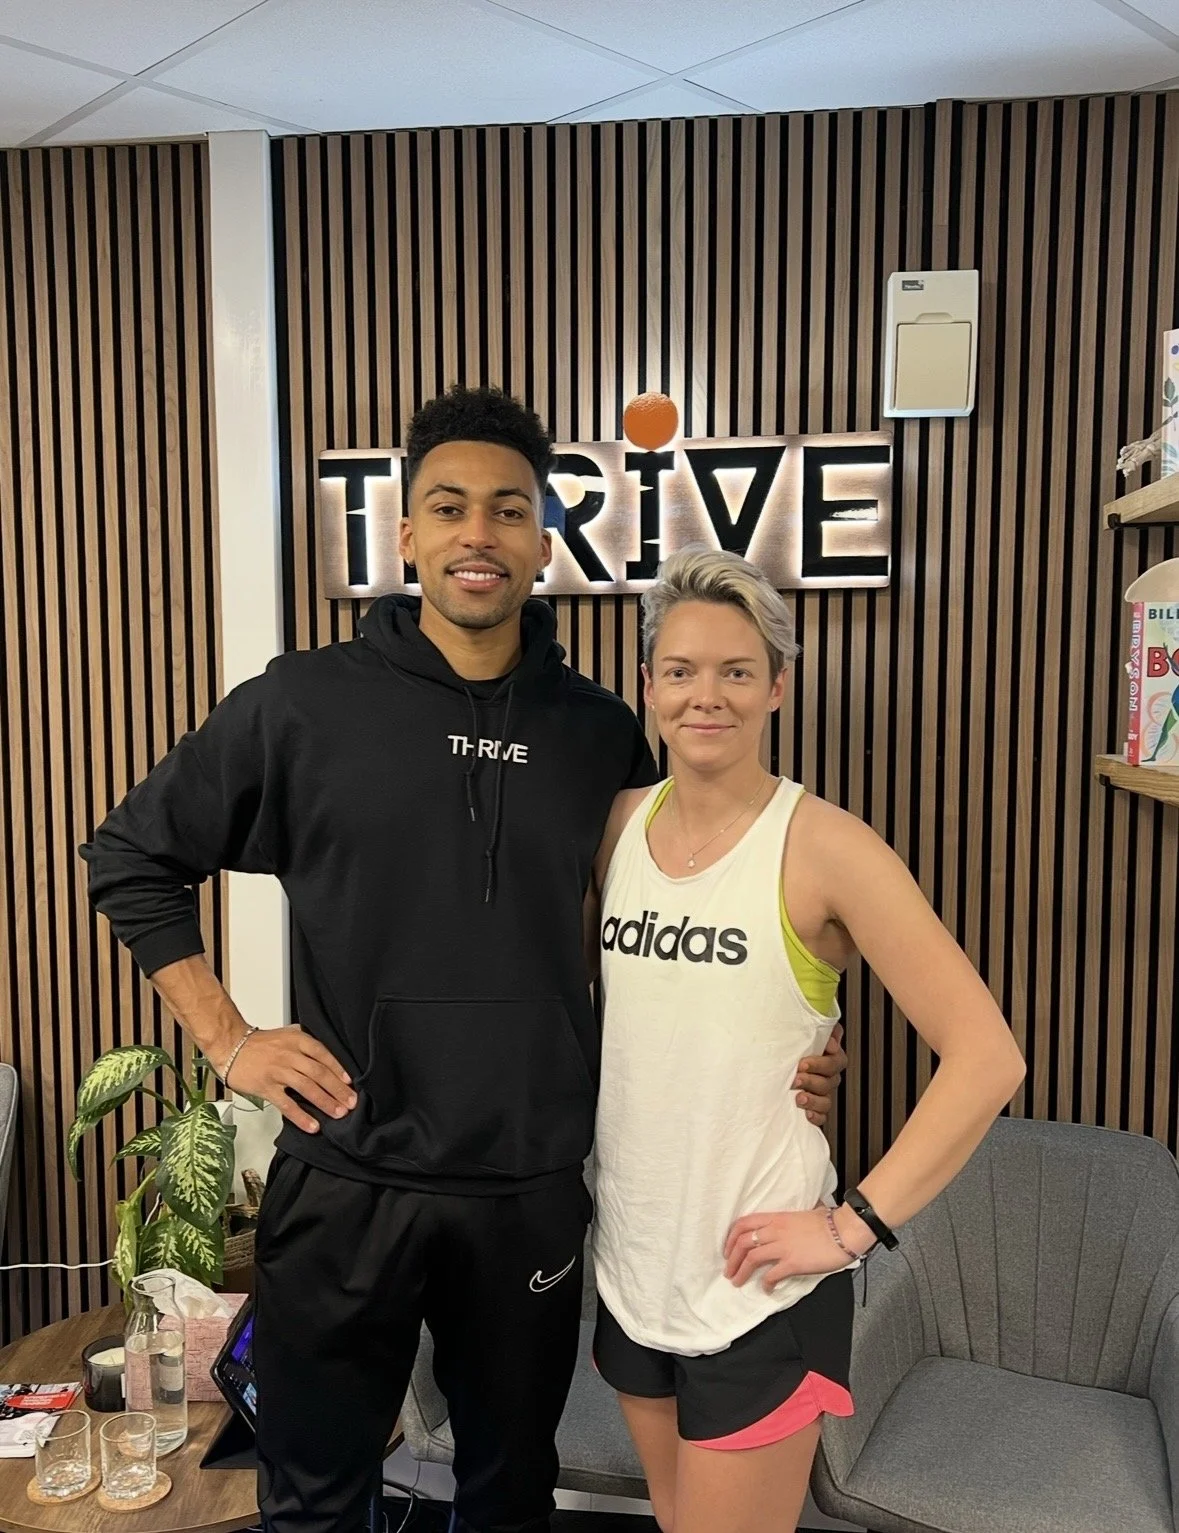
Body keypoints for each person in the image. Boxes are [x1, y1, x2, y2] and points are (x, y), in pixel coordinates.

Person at [79, 389, 845, 1533]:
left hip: (528, 1189)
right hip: (348, 1178)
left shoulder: (599, 733)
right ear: (405, 534)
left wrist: (799, 1050)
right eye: (448, 508)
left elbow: (688, 914)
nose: (477, 534)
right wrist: (229, 1041)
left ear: (544, 541)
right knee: (313, 1504)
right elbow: (130, 856)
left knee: (508, 1499)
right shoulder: (302, 706)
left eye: (507, 510)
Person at [587, 547, 1026, 1533]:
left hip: (762, 1290)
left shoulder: (826, 846)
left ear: (778, 685)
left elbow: (988, 1057)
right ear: (649, 684)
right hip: (631, 1267)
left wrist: (850, 1227)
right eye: (681, 670)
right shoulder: (613, 829)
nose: (706, 696)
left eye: (737, 671)